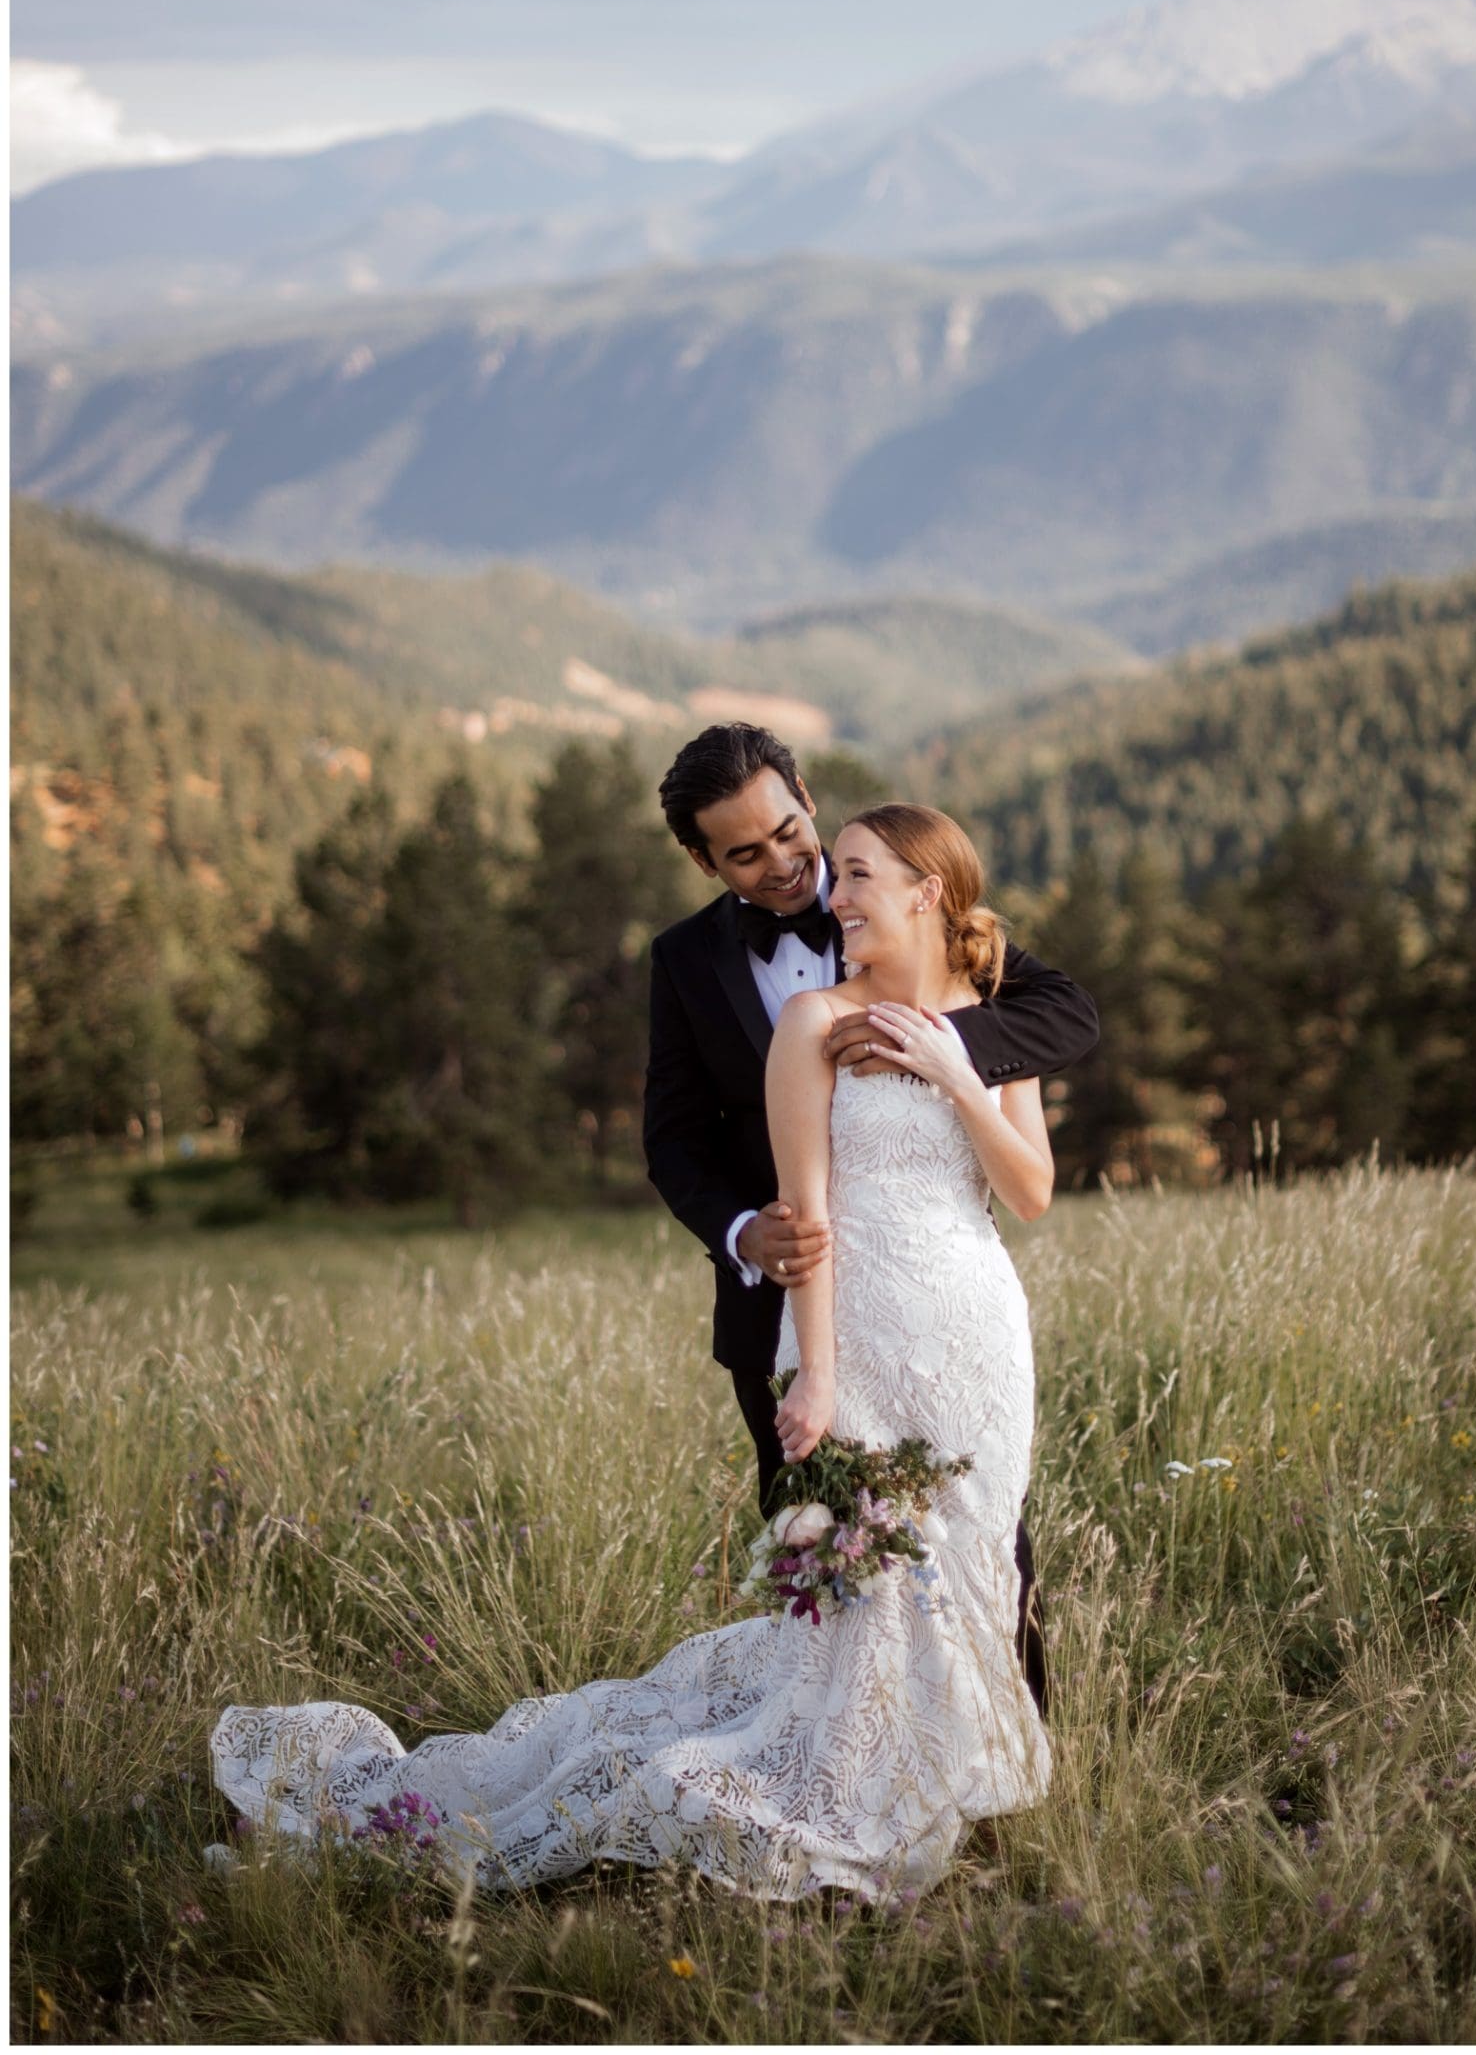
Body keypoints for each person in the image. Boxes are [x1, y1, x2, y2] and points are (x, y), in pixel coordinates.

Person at [207, 796, 1081, 1904]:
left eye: (855, 873)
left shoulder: (998, 1018)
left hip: (977, 1337)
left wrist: (956, 1069)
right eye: (838, 872)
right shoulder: (812, 1023)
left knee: (971, 1562)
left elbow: (1033, 1192)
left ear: (925, 891)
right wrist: (811, 1373)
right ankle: (850, 1784)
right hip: (864, 1332)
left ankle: (956, 1781)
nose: (832, 890)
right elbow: (802, 1218)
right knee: (871, 1581)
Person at [644, 722, 1099, 1712]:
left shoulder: (902, 884)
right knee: (830, 1569)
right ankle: (833, 1764)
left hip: (950, 1310)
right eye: (744, 853)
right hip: (790, 1303)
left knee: (986, 1547)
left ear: (805, 793)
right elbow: (670, 1139)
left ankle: (1005, 1773)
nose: (784, 865)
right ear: (701, 859)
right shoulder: (681, 962)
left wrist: (931, 1043)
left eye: (787, 829)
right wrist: (740, 1232)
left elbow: (1066, 1016)